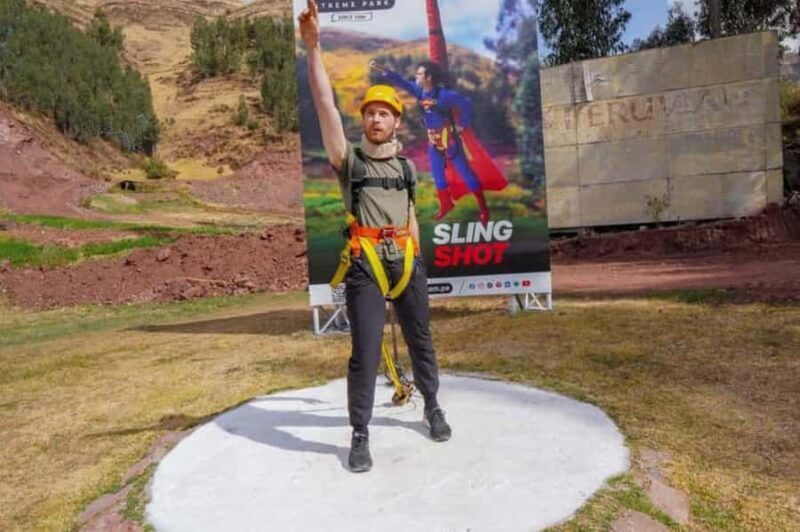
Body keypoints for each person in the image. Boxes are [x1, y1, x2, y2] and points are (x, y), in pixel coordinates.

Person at [298, 0, 451, 474]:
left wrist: (416, 261)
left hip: (406, 262)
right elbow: (324, 105)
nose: (377, 119)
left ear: (397, 121)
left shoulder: (406, 168)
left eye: (386, 113)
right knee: (364, 351)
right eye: (371, 112)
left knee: (421, 340)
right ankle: (360, 433)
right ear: (364, 120)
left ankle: (432, 405)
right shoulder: (350, 161)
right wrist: (314, 49)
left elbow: (410, 216)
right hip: (365, 263)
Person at [371, 60, 493, 224]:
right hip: (433, 140)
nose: (416, 76)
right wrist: (384, 70)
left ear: (428, 77)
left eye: (420, 74)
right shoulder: (419, 91)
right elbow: (401, 81)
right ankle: (446, 204)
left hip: (450, 141)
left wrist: (462, 125)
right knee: (437, 175)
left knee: (466, 173)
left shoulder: (445, 95)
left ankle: (484, 209)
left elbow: (466, 104)